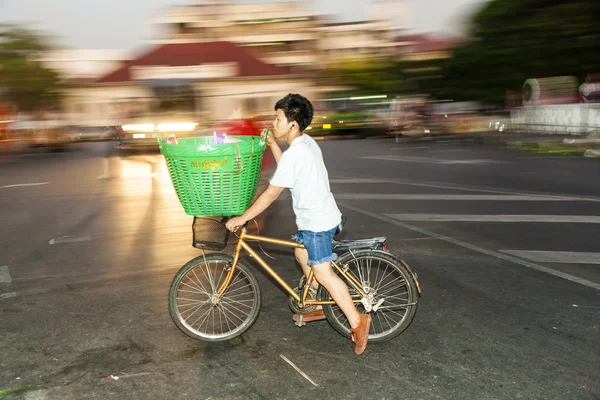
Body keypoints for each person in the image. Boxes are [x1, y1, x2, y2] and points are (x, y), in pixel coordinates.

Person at [225, 93, 371, 355]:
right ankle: (315, 304)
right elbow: (288, 170)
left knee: (324, 273)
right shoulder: (306, 144)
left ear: (292, 124)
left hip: (317, 222)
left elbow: (271, 193)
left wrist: (242, 218)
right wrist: (272, 144)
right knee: (301, 252)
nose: (274, 122)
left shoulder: (298, 153)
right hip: (321, 216)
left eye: (278, 118)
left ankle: (358, 321)